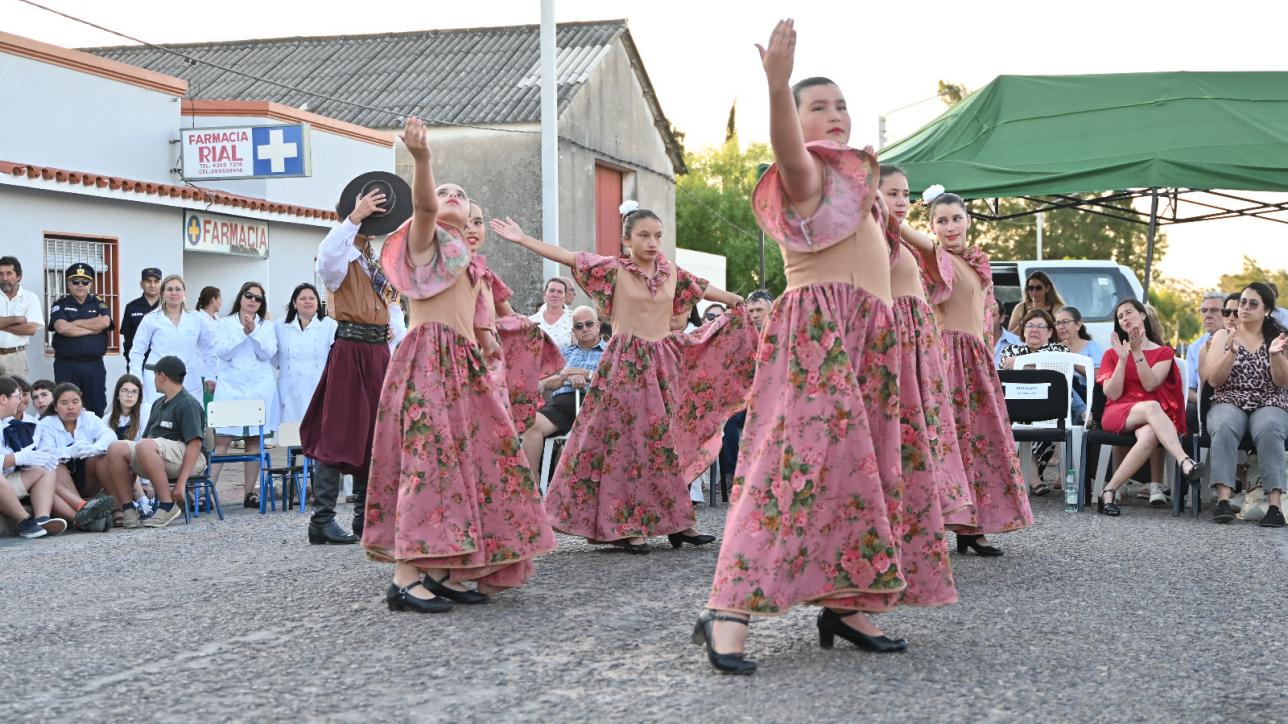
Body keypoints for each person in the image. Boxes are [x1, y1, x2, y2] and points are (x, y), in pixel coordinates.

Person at [697, 22, 952, 676]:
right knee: (788, 471)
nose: (834, 115)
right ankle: (728, 607)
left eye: (840, 105)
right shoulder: (805, 177)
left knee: (863, 475)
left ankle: (846, 603)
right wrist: (779, 86)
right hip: (820, 337)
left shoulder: (859, 191)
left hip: (870, 340)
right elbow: (787, 151)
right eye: (820, 106)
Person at [362, 117, 556, 612]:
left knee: (472, 465)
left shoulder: (473, 265)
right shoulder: (424, 242)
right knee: (429, 464)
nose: (450, 195)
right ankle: (406, 577)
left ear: (473, 215)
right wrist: (424, 160)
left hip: (463, 367)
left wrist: (499, 347)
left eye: (460, 194)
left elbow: (488, 330)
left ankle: (447, 567)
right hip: (429, 357)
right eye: (444, 190)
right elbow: (425, 205)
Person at [494, 201, 755, 555]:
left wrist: (735, 300)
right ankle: (624, 525)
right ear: (627, 239)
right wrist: (523, 239)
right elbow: (570, 257)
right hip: (625, 363)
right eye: (644, 235)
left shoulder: (670, 272)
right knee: (627, 445)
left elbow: (703, 288)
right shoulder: (614, 269)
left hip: (663, 360)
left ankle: (680, 524)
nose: (652, 242)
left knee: (666, 443)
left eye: (657, 236)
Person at [904, 188, 1033, 554]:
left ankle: (970, 526)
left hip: (976, 360)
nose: (950, 226)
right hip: (946, 360)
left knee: (978, 442)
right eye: (941, 220)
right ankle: (930, 527)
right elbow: (913, 239)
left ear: (968, 221)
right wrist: (887, 208)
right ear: (931, 225)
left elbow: (985, 318)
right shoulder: (935, 257)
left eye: (956, 218)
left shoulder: (978, 262)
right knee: (946, 443)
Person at [879, 162, 972, 571]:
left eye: (905, 194)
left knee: (923, 437)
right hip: (895, 345)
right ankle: (895, 532)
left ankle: (930, 526)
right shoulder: (875, 239)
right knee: (901, 436)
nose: (901, 201)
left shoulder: (898, 240)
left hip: (920, 347)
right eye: (892, 194)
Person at [463, 200, 564, 435]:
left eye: (477, 222)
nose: (472, 229)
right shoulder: (450, 272)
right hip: (462, 358)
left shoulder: (486, 275)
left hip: (488, 362)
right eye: (464, 223)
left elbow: (513, 318)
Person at [1094, 299, 1201, 516]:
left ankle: (1108, 491)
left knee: (1150, 435)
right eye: (1120, 316)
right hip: (1118, 411)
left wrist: (1138, 353)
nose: (1124, 318)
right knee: (1152, 406)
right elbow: (1112, 394)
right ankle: (1185, 461)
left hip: (1150, 417)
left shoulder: (1164, 353)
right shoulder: (1111, 354)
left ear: (1143, 315)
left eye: (1128, 313)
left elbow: (1150, 384)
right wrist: (1123, 360)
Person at [1202, 282, 1288, 527]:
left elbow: (1282, 382)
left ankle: (1274, 505)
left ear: (1267, 310)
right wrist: (1231, 352)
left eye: (1253, 304)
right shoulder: (1222, 336)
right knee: (1225, 424)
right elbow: (1214, 379)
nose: (1245, 308)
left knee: (1270, 426)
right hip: (1229, 399)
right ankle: (1223, 500)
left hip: (1269, 400)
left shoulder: (1279, 338)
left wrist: (1274, 355)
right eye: (1242, 303)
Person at [98, 356, 206, 528]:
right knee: (116, 447)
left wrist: (181, 483)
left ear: (163, 376)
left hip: (189, 459)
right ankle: (128, 508)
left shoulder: (187, 404)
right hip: (158, 454)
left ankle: (167, 505)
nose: (153, 379)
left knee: (145, 445)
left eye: (155, 374)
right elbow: (146, 442)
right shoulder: (158, 403)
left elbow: (195, 444)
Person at [209, 281, 278, 509]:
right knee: (222, 440)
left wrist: (254, 332)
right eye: (249, 295)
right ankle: (208, 491)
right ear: (240, 297)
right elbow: (223, 352)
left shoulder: (266, 326)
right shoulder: (225, 324)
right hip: (231, 389)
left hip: (258, 389)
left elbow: (268, 352)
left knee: (253, 441)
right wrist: (243, 333)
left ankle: (250, 493)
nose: (252, 301)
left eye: (258, 298)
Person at [519, 305, 605, 478]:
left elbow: (611, 381)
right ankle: (532, 488)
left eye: (589, 324)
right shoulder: (563, 352)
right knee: (530, 423)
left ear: (599, 326)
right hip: (562, 403)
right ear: (573, 331)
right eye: (579, 326)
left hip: (595, 404)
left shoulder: (610, 352)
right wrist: (566, 376)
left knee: (570, 448)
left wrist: (584, 374)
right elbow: (544, 383)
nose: (585, 329)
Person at [34, 382, 122, 524]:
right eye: (64, 403)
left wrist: (95, 447)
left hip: (87, 479)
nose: (70, 407)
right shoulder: (46, 424)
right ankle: (84, 511)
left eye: (75, 402)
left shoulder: (88, 417)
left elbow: (109, 435)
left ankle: (119, 508)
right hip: (62, 481)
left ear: (81, 404)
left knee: (100, 458)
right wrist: (69, 451)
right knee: (56, 465)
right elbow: (45, 453)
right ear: (55, 407)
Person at [128, 275, 217, 414]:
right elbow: (137, 352)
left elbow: (209, 349)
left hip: (189, 379)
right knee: (157, 422)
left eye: (178, 289)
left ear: (184, 293)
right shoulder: (151, 319)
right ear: (162, 293)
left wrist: (211, 374)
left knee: (191, 421)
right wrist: (136, 378)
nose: (174, 293)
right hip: (158, 380)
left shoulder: (196, 318)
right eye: (169, 289)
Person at [0, 376, 65, 538]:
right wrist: (20, 458)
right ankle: (24, 521)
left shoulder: (3, 422)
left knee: (46, 468)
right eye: (17, 396)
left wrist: (30, 458)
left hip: (5, 483)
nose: (21, 401)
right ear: (3, 399)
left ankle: (42, 519)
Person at [49, 263, 114, 416]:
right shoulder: (60, 304)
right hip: (67, 365)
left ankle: (94, 439)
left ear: (91, 283)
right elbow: (62, 328)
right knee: (67, 404)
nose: (80, 285)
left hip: (94, 365)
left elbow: (104, 322)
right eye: (75, 281)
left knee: (96, 404)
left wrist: (75, 323)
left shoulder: (99, 303)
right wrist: (93, 328)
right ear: (68, 284)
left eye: (85, 282)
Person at [275, 283, 337, 426]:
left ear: (317, 302)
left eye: (312, 298)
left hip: (318, 387)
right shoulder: (280, 326)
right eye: (303, 298)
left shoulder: (330, 325)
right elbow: (273, 356)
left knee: (317, 432)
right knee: (292, 434)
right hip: (290, 390)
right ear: (294, 303)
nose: (308, 301)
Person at [105, 373, 153, 515]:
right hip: (117, 468)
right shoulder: (108, 418)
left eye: (134, 392)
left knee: (130, 455)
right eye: (125, 391)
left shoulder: (145, 411)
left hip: (141, 465)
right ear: (118, 395)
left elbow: (145, 444)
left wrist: (147, 482)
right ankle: (140, 502)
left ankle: (140, 502)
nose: (129, 395)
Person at [0, 256, 44, 379]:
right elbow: (24, 326)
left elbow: (30, 329)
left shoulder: (30, 298)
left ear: (18, 276)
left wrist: (2, 324)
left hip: (16, 358)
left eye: (9, 273)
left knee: (15, 396)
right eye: (1, 274)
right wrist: (17, 319)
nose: (4, 278)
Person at [121, 267, 162, 372]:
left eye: (156, 281)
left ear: (161, 284)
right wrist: (130, 359)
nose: (152, 285)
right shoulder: (132, 307)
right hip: (138, 363)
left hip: (162, 364)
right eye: (148, 281)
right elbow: (127, 338)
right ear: (141, 284)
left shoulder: (168, 307)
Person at [1007, 270, 1064, 335]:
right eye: (1031, 288)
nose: (1034, 292)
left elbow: (1063, 334)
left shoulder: (1057, 308)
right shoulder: (1021, 308)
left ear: (1047, 288)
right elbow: (1010, 336)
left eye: (1038, 288)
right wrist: (1025, 320)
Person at [529, 277, 575, 347]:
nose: (555, 295)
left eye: (560, 292)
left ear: (565, 296)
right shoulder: (532, 321)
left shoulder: (574, 318)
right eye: (552, 291)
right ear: (545, 294)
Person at [991, 298, 1022, 367]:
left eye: (993, 315)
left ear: (1002, 318)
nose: (987, 318)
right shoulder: (971, 343)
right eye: (984, 314)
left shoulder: (1019, 344)